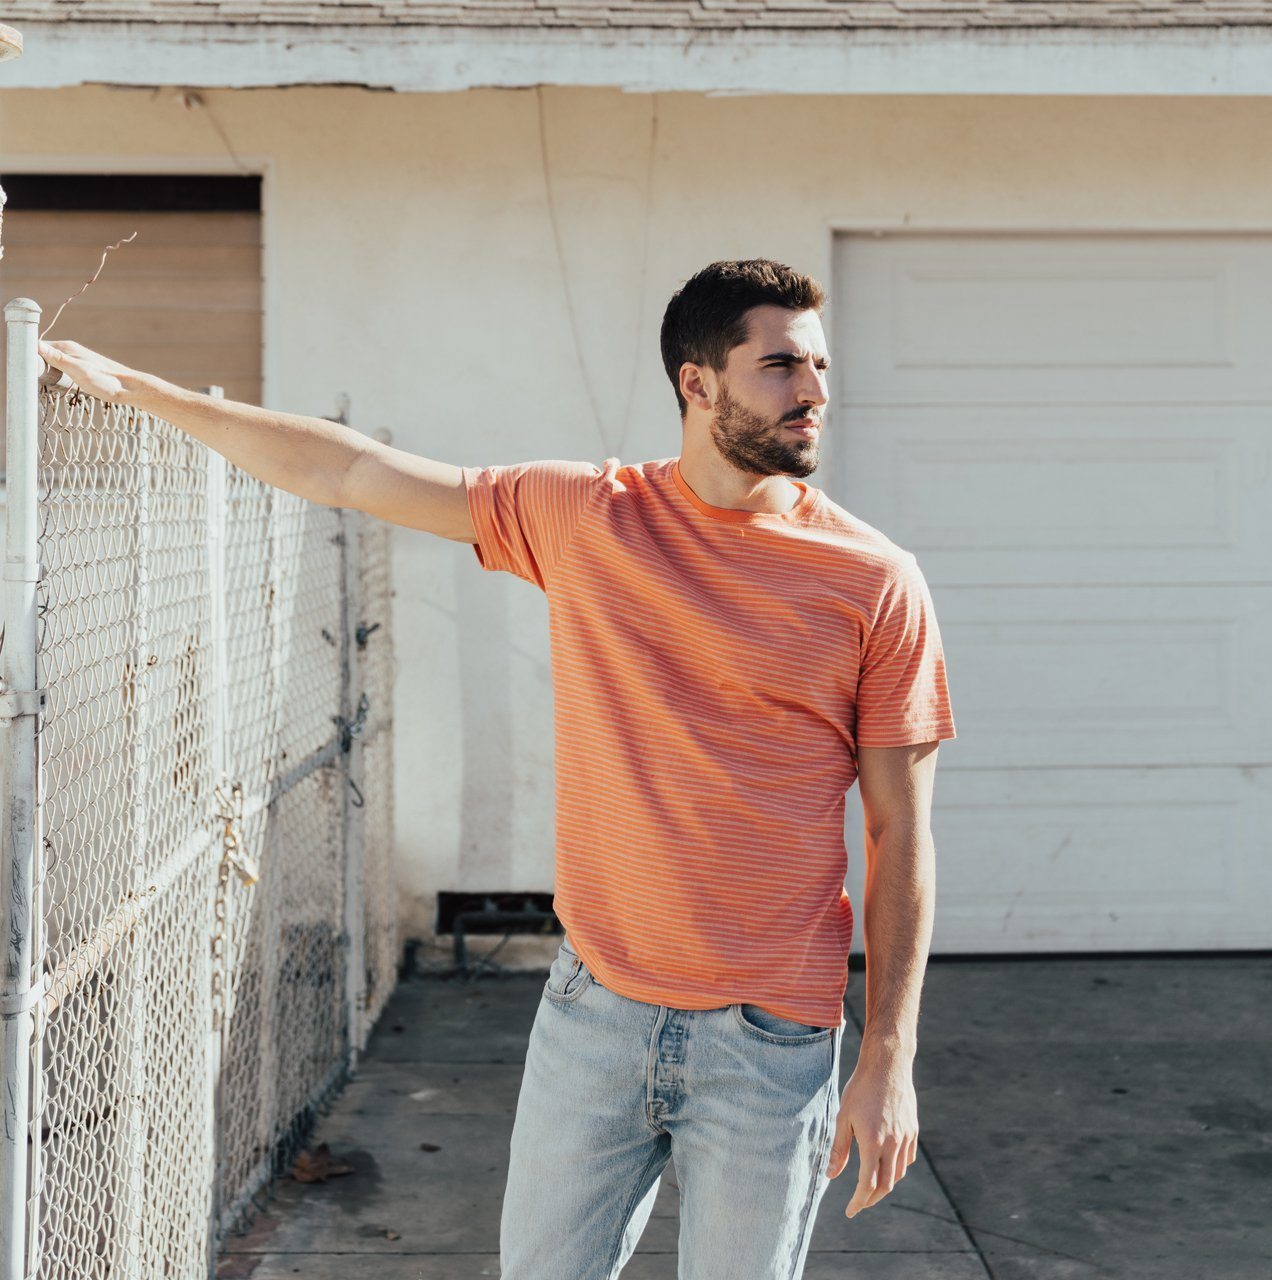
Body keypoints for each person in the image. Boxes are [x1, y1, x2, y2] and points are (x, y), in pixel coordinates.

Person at [40, 257, 956, 1280]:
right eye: (780, 364)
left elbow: (897, 831)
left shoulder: (873, 582)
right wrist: (145, 393)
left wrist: (887, 1056)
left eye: (818, 365)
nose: (814, 390)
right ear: (697, 383)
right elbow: (347, 473)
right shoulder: (586, 516)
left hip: (768, 1044)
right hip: (594, 1013)